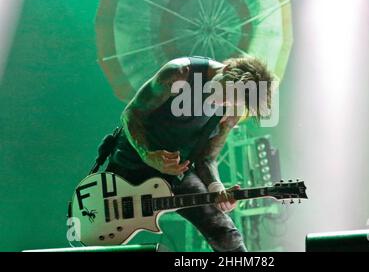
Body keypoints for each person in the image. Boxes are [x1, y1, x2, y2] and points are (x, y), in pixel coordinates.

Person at [105, 55, 274, 252]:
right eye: (228, 93)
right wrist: (148, 155)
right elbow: (131, 114)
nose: (224, 102)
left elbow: (207, 157)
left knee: (225, 234)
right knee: (103, 236)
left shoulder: (231, 111)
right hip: (130, 164)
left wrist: (216, 186)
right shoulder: (179, 74)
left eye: (233, 101)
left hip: (176, 173)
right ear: (227, 69)